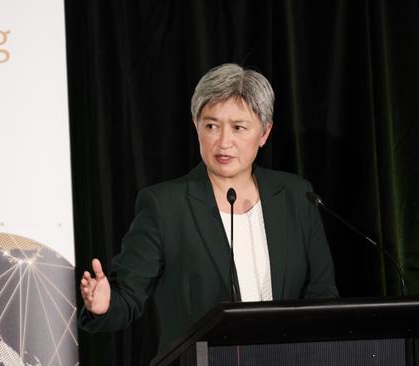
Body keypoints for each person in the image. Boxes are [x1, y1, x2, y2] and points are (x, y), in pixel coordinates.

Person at [78, 63, 338, 354]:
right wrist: (103, 304)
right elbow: (128, 296)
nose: (224, 142)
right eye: (211, 126)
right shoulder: (165, 206)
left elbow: (322, 294)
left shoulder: (296, 196)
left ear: (264, 133)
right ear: (196, 126)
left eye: (239, 128)